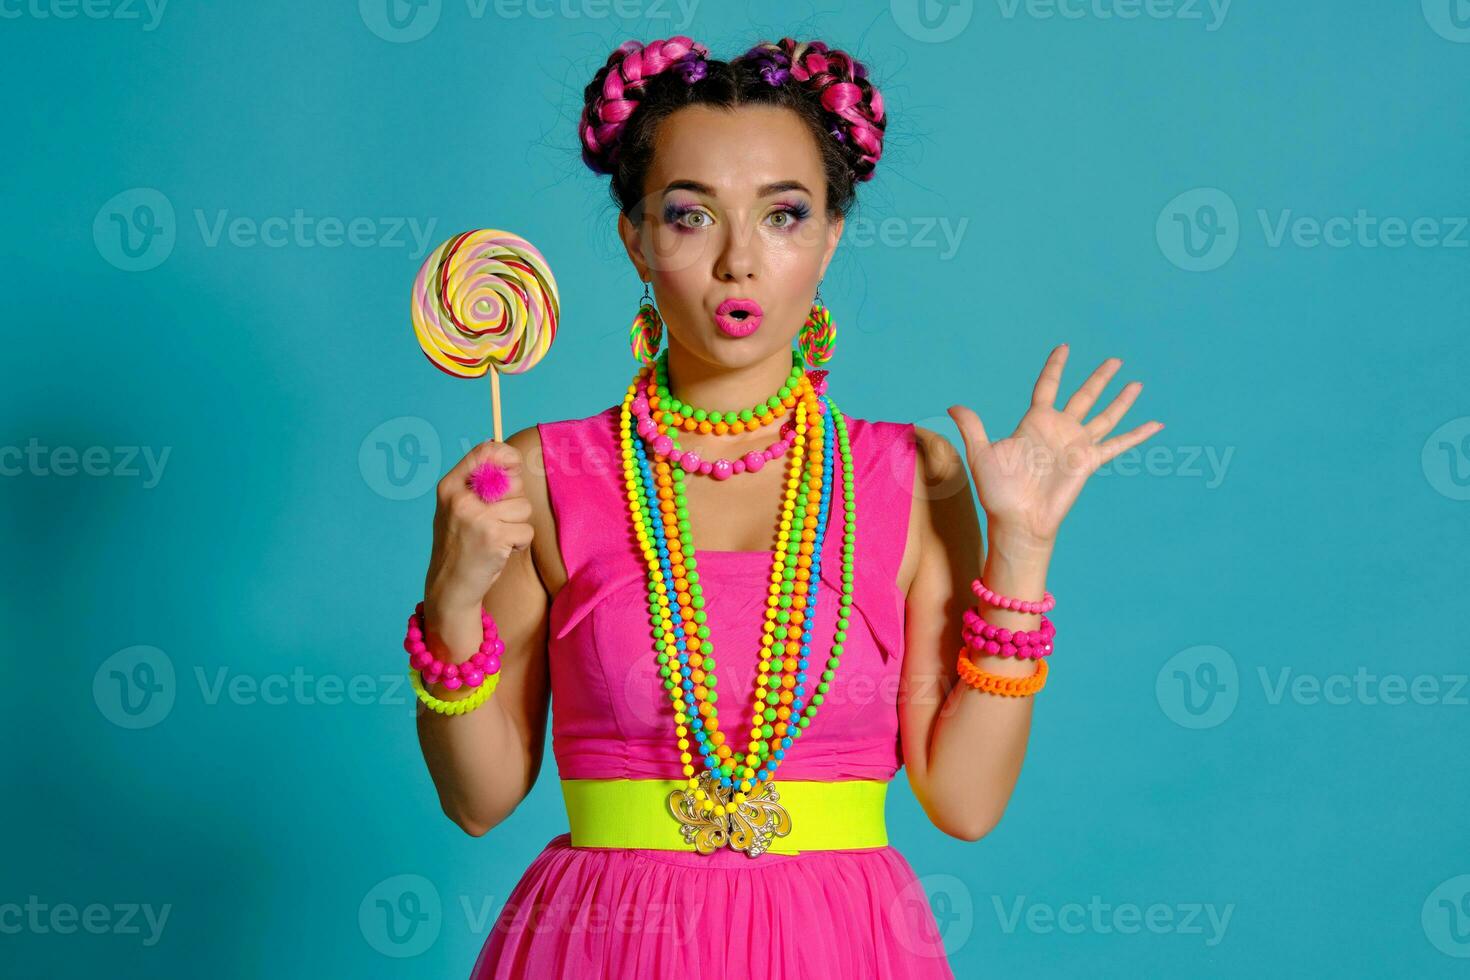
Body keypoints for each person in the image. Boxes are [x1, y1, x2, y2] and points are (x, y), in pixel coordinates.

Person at [409, 35, 1164, 978]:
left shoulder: (913, 472)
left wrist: (1022, 549)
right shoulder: (541, 472)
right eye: (689, 216)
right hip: (607, 944)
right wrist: (453, 598)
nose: (739, 262)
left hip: (840, 943)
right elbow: (479, 800)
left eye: (784, 215)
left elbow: (966, 805)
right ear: (635, 238)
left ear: (831, 236)